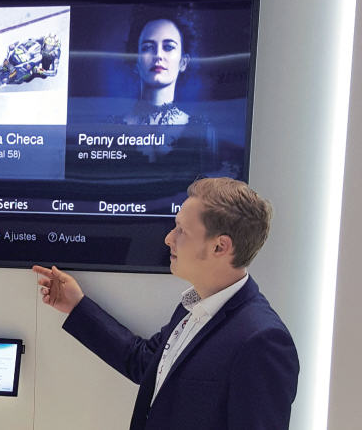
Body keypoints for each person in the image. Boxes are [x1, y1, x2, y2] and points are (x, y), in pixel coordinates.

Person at [34, 177, 298, 429]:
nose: (169, 238)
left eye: (181, 230)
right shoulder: (191, 307)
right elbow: (144, 362)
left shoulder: (262, 340)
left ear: (220, 247)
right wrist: (77, 306)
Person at [122, 7, 195, 125]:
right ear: (135, 61)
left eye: (168, 47)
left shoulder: (201, 130)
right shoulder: (110, 129)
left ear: (183, 62)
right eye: (148, 47)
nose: (158, 55)